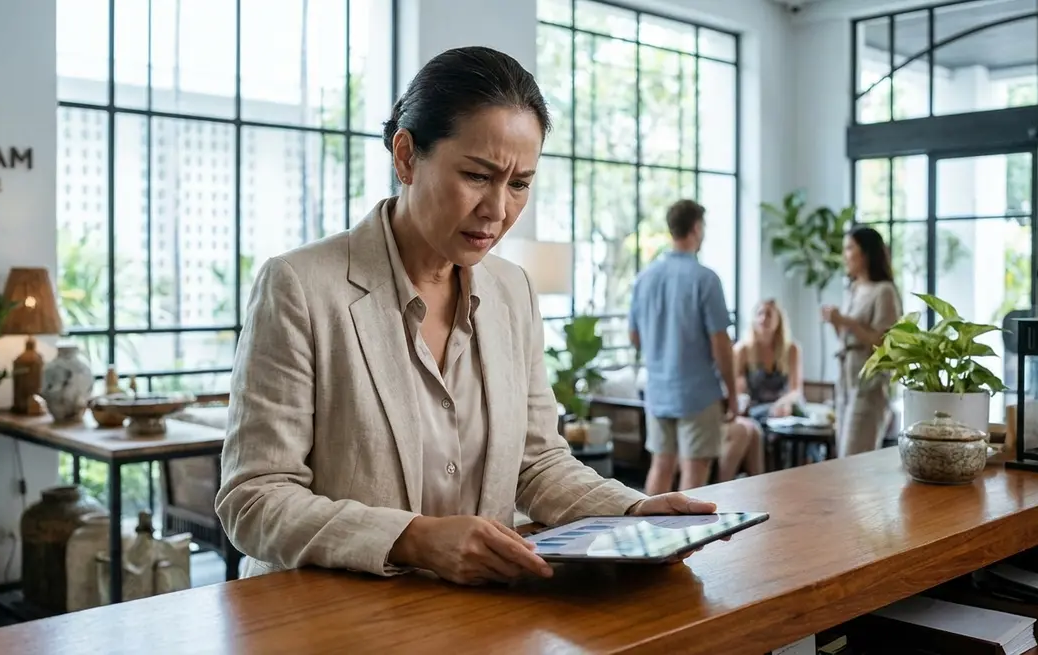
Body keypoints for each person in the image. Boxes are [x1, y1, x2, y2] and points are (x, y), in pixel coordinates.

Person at [215, 46, 715, 587]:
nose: (498, 210)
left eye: (519, 183)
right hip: (331, 622)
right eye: (478, 176)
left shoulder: (511, 291)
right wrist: (414, 538)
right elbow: (254, 498)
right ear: (405, 156)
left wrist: (633, 512)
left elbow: (538, 461)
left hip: (481, 620)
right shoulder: (300, 286)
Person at [629, 199, 736, 495]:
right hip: (697, 393)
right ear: (697, 228)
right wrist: (733, 393)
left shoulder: (644, 279)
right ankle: (689, 540)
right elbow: (721, 345)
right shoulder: (706, 279)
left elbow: (635, 337)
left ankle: (649, 539)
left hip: (658, 390)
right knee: (694, 471)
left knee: (660, 466)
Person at [821, 226, 901, 457]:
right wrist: (837, 322)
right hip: (845, 377)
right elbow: (847, 339)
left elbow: (884, 343)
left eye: (849, 248)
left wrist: (847, 321)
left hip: (869, 381)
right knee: (843, 454)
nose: (845, 255)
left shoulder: (884, 291)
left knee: (854, 453)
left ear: (865, 253)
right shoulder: (854, 289)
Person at [719, 299, 802, 480]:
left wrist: (783, 403)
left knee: (797, 419)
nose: (764, 318)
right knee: (757, 429)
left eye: (769, 314)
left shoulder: (791, 349)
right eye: (760, 313)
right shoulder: (743, 350)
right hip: (755, 409)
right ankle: (763, 479)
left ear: (779, 320)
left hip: (783, 407)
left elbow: (796, 390)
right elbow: (736, 389)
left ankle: (794, 477)